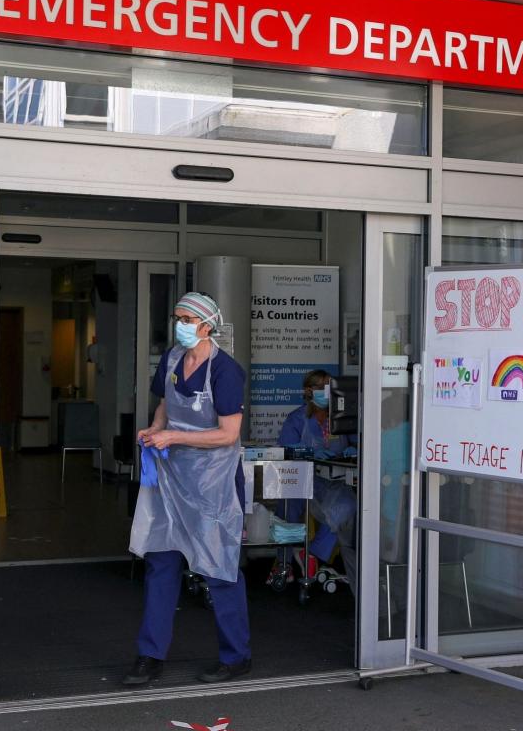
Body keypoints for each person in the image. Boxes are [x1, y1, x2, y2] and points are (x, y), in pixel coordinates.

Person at [124, 292, 251, 687]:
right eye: (176, 316)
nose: (178, 324)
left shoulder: (225, 371)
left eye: (185, 318)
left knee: (220, 566)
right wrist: (156, 428)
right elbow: (165, 403)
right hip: (172, 475)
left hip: (213, 481)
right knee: (161, 561)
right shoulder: (173, 360)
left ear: (206, 325)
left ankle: (236, 655)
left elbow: (229, 435)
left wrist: (174, 436)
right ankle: (150, 655)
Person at [276, 370, 358, 595]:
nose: (327, 393)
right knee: (289, 508)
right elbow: (284, 448)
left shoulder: (339, 417)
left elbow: (355, 440)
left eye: (331, 387)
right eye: (322, 387)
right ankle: (284, 563)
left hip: (333, 483)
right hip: (303, 479)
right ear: (309, 392)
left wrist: (355, 448)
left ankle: (313, 555)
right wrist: (310, 452)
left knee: (348, 511)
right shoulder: (297, 418)